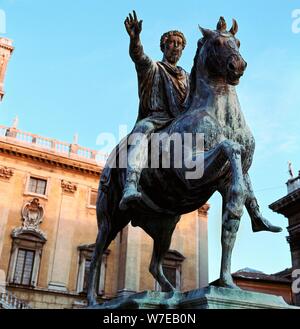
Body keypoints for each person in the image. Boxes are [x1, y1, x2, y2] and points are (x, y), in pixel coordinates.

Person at [119, 11, 190, 210]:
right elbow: (138, 56)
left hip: (181, 122)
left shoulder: (188, 77)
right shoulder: (153, 67)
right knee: (141, 131)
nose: (175, 47)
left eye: (179, 44)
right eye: (172, 43)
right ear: (163, 46)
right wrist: (135, 39)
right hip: (156, 119)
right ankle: (131, 184)